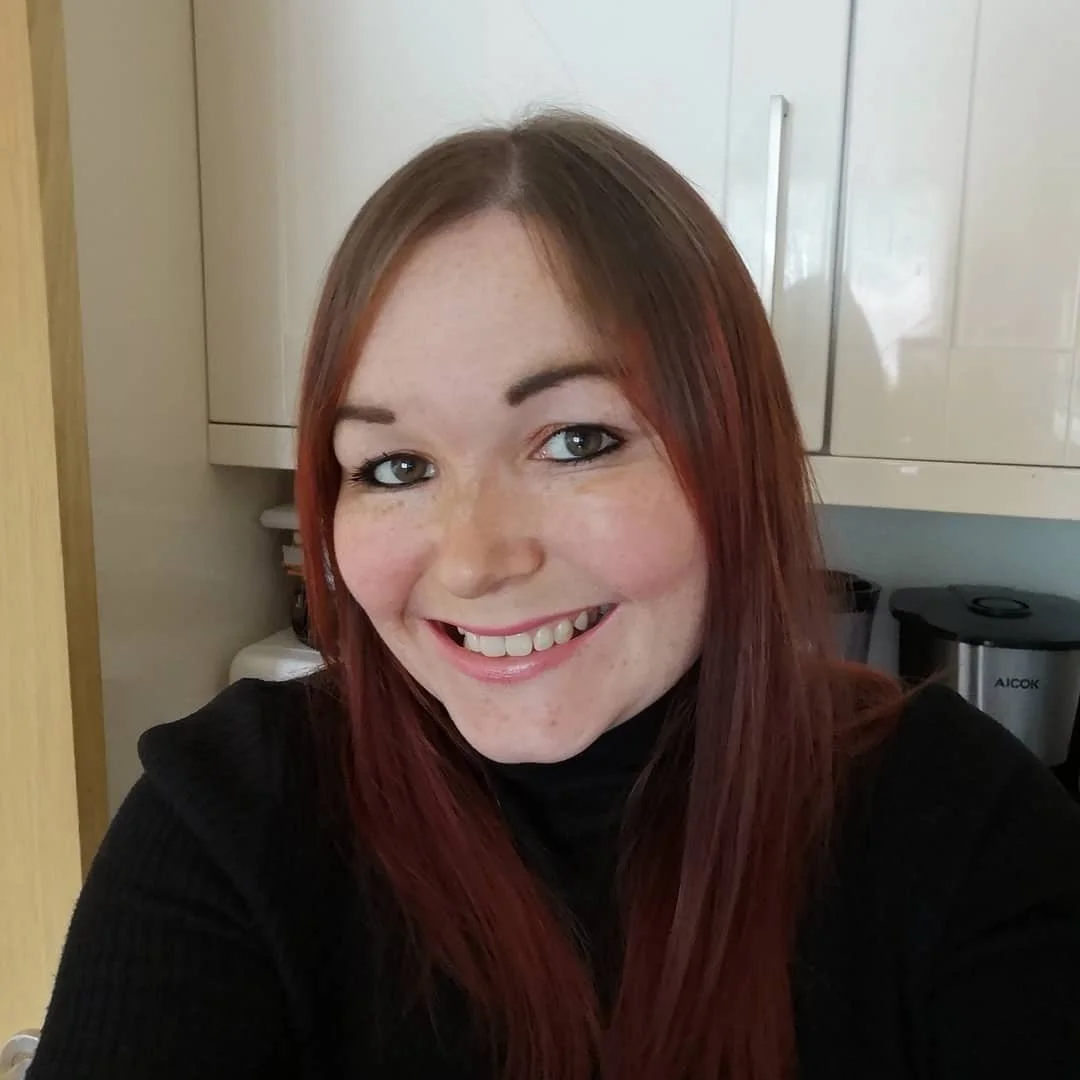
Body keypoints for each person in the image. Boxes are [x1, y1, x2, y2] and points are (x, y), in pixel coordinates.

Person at [28, 111, 1080, 1080]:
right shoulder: (230, 820)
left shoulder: (961, 828)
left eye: (577, 441)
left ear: (735, 459)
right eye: (395, 466)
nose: (475, 561)